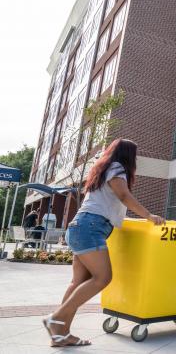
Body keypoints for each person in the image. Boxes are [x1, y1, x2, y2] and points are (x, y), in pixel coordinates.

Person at [42, 139, 164, 347]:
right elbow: (124, 195)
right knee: (103, 277)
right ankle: (56, 319)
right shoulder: (117, 168)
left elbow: (109, 203)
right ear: (128, 155)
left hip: (81, 226)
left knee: (78, 282)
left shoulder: (102, 169)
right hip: (90, 227)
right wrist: (149, 215)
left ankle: (60, 334)